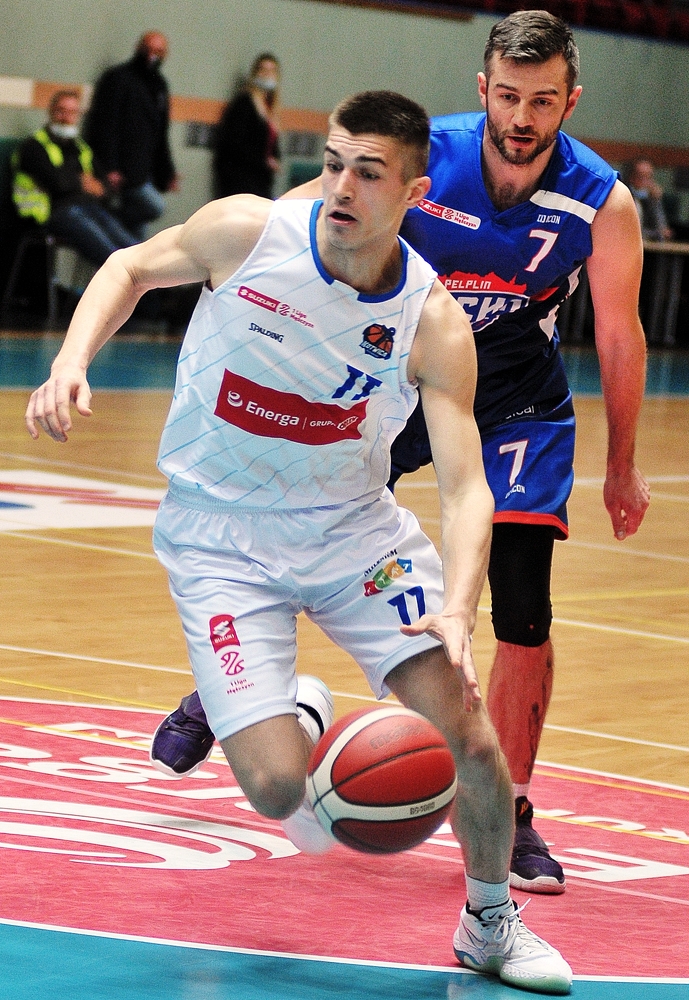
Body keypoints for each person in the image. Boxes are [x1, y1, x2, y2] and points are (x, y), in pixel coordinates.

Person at [26, 90, 572, 994]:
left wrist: (457, 608)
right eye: (332, 164)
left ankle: (488, 923)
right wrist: (69, 361)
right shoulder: (247, 232)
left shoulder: (431, 321)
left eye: (368, 173)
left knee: (470, 738)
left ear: (414, 192)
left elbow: (465, 486)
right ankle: (300, 707)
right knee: (278, 790)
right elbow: (127, 267)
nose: (341, 187)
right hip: (220, 539)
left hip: (356, 538)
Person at [149, 11, 651, 898]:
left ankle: (512, 810)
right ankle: (242, 695)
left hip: (515, 393)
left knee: (522, 601)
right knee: (318, 523)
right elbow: (300, 220)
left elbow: (618, 332)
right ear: (482, 89)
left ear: (570, 101)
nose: (521, 116)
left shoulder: (600, 202)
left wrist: (621, 463)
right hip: (398, 375)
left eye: (542, 100)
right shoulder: (422, 162)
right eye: (507, 95)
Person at [11, 89, 138, 266]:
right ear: (51, 112)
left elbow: (105, 187)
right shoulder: (33, 146)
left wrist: (96, 186)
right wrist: (84, 182)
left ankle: (152, 281)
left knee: (136, 251)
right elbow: (58, 183)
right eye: (61, 111)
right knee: (114, 259)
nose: (66, 117)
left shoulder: (81, 148)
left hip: (90, 208)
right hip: (53, 214)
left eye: (72, 112)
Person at [84, 31, 179, 240]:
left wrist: (167, 172)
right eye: (148, 49)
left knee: (136, 237)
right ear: (138, 47)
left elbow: (161, 132)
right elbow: (105, 124)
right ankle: (105, 221)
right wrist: (110, 166)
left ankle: (125, 254)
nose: (152, 55)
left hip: (144, 168)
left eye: (159, 51)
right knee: (154, 207)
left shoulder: (159, 85)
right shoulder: (118, 78)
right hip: (123, 169)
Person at [213, 53, 282, 199]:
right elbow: (234, 143)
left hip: (260, 180)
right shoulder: (244, 103)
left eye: (272, 71)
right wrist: (264, 162)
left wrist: (274, 159)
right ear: (255, 73)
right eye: (263, 70)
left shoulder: (270, 109)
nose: (268, 75)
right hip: (241, 179)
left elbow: (272, 144)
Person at [626, 159, 673, 241]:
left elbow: (662, 229)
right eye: (641, 176)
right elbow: (632, 231)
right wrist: (657, 234)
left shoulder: (651, 199)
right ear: (631, 177)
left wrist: (656, 201)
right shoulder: (625, 198)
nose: (645, 181)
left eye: (649, 177)